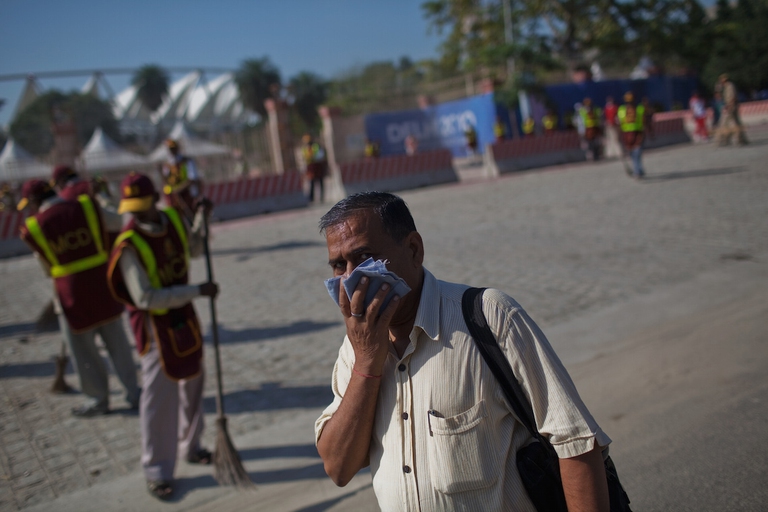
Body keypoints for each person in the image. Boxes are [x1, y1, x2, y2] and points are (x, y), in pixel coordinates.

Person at [315, 191, 612, 511]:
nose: (350, 279)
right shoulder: (355, 348)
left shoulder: (490, 318)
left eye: (363, 259)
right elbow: (339, 467)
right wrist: (366, 363)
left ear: (414, 250)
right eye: (338, 266)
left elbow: (576, 444)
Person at [107, 172, 216, 500]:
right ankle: (156, 469)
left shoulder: (171, 219)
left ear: (155, 200)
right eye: (132, 208)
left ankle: (191, 444)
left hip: (183, 316)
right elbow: (146, 298)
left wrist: (200, 218)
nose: (137, 214)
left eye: (142, 206)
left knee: (194, 379)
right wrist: (196, 290)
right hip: (155, 328)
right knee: (157, 398)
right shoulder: (128, 244)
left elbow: (194, 249)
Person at [17, 179, 140, 417]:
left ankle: (98, 400)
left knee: (85, 354)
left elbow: (45, 268)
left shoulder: (34, 226)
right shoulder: (86, 205)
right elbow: (117, 222)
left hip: (71, 298)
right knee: (119, 346)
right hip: (104, 288)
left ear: (33, 201)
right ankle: (134, 394)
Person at [160, 139, 202, 222]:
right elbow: (166, 181)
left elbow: (192, 179)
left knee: (192, 216)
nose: (172, 151)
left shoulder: (187, 161)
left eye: (173, 148)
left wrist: (179, 189)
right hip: (173, 197)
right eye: (170, 149)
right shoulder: (167, 164)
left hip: (187, 194)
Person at [617, 92, 646, 179]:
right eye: (628, 102)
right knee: (632, 154)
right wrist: (619, 135)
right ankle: (638, 169)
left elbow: (644, 121)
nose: (629, 103)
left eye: (631, 101)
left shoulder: (640, 108)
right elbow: (619, 123)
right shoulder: (621, 110)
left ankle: (637, 171)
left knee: (637, 152)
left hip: (637, 133)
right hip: (627, 134)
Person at [715, 74, 748, 146]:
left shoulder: (730, 86)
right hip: (730, 106)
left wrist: (729, 106)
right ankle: (740, 139)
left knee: (727, 123)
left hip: (731, 106)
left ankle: (728, 140)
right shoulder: (727, 87)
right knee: (735, 122)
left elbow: (732, 97)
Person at [302, 134, 328, 203]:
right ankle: (311, 198)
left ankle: (322, 198)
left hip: (317, 166)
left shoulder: (315, 147)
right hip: (311, 167)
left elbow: (320, 156)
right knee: (312, 183)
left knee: (320, 183)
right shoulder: (305, 149)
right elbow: (305, 158)